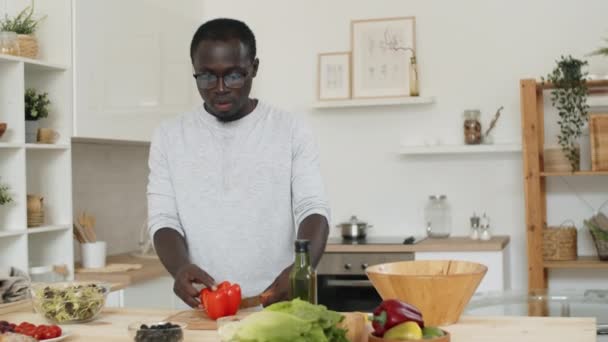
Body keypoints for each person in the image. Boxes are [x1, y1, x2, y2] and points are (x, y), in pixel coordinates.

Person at [147, 18, 330, 308]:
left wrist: (300, 268)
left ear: (253, 68)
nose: (220, 88)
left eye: (233, 76)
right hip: (203, 308)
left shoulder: (291, 129)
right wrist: (180, 268)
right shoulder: (169, 136)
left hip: (278, 304)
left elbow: (313, 209)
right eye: (206, 77)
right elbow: (164, 220)